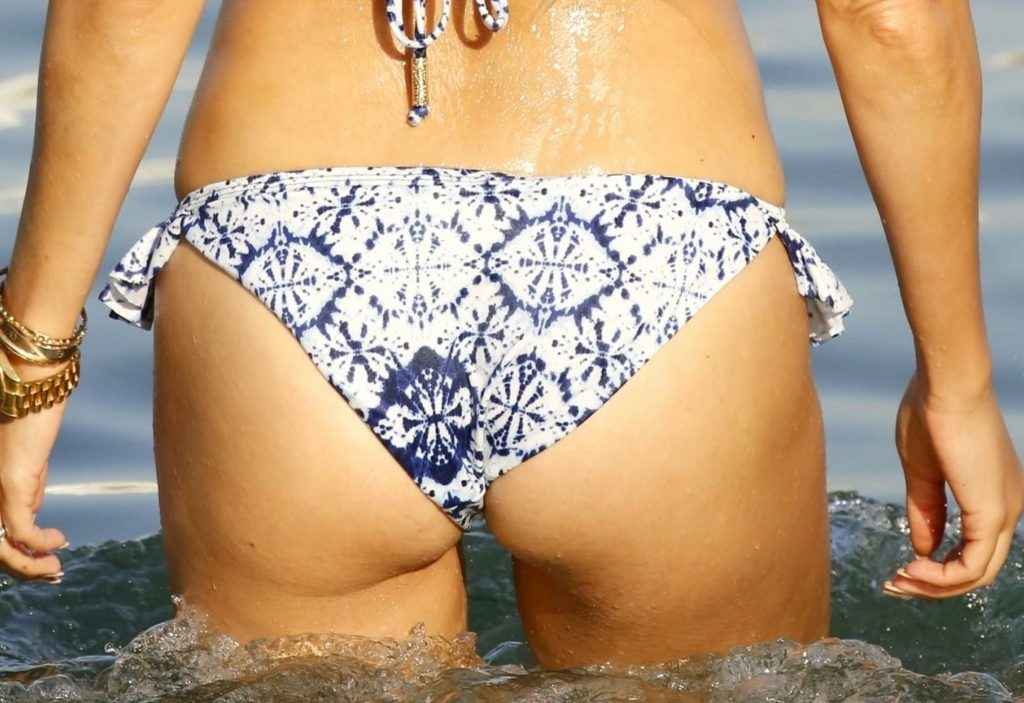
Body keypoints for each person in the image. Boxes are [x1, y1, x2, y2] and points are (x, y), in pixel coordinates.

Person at [0, 0, 1020, 670]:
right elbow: (890, 19)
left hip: (294, 244)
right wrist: (957, 383)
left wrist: (31, 355)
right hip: (653, 246)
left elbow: (120, 11)